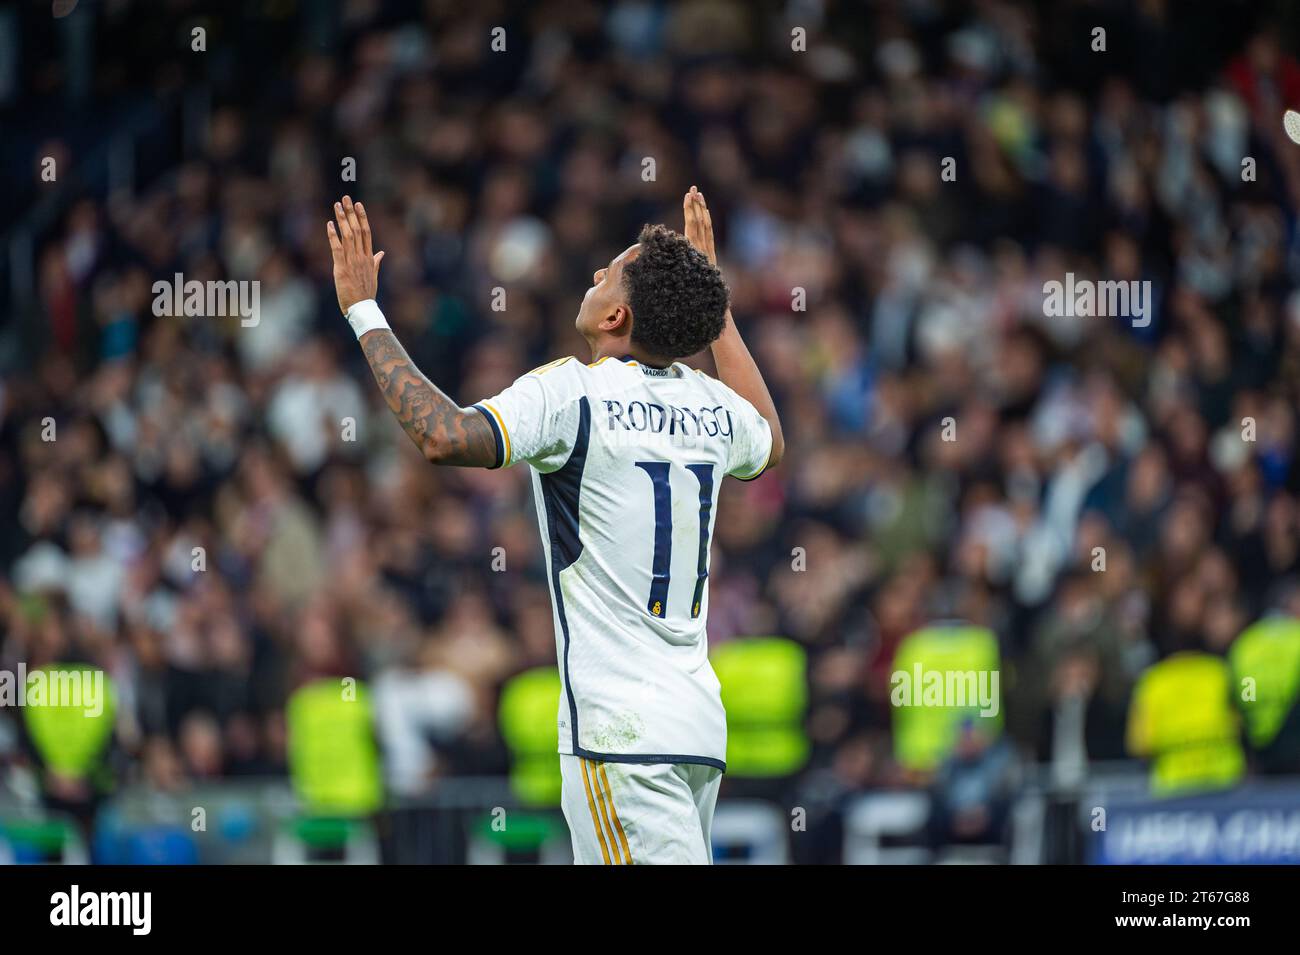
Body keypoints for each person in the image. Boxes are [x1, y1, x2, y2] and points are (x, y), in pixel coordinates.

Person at [325, 188, 784, 864]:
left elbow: (446, 435)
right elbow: (769, 439)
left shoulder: (573, 392)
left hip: (621, 737)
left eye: (609, 274)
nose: (595, 277)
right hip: (693, 730)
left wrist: (363, 311)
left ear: (617, 314)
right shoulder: (710, 405)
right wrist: (715, 315)